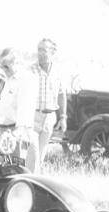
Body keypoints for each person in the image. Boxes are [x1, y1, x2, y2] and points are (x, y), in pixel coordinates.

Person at [0, 48, 40, 171]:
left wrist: (17, 133)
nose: (3, 70)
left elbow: (24, 109)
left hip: (19, 133)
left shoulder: (26, 80)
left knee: (20, 173)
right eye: (1, 67)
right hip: (6, 130)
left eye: (6, 66)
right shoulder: (9, 79)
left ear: (17, 63)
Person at [31, 38, 68, 167]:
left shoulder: (58, 72)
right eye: (38, 49)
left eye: (44, 50)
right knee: (33, 152)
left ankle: (35, 183)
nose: (40, 53)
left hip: (49, 118)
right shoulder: (31, 70)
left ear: (52, 52)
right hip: (33, 116)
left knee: (41, 154)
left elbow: (61, 94)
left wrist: (62, 117)